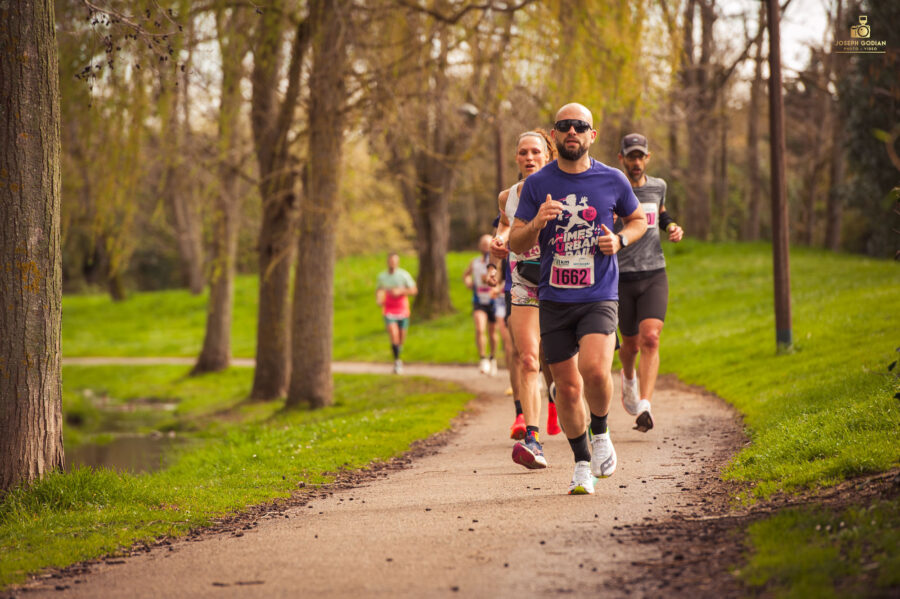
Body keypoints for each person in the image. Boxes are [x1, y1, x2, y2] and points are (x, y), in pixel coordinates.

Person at [510, 103, 648, 495]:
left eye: (580, 126)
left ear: (592, 134)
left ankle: (601, 430)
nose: (572, 131)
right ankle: (582, 464)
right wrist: (536, 222)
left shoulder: (613, 179)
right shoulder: (537, 185)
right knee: (567, 389)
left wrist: (620, 239)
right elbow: (517, 241)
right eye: (564, 126)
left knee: (594, 370)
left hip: (598, 294)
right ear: (554, 135)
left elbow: (637, 220)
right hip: (554, 298)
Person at [488, 129, 561, 471]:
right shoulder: (508, 196)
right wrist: (498, 246)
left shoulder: (566, 188)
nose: (529, 157)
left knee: (563, 365)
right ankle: (533, 439)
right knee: (529, 358)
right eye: (522, 153)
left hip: (564, 284)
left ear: (547, 154)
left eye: (535, 152)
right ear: (516, 158)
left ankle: (568, 403)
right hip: (524, 282)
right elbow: (504, 226)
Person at [615, 133, 684, 432]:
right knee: (629, 344)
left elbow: (661, 212)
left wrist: (671, 226)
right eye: (631, 156)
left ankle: (645, 404)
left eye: (640, 156)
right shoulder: (613, 189)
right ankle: (628, 378)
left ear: (647, 158)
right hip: (620, 276)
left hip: (654, 272)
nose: (636, 162)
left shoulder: (658, 186)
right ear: (622, 159)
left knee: (651, 337)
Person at [463, 234, 500, 375]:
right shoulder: (475, 262)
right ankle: (483, 358)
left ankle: (492, 357)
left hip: (493, 301)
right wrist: (468, 281)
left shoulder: (497, 262)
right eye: (483, 244)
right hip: (479, 301)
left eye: (488, 244)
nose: (485, 247)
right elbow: (466, 274)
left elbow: (502, 279)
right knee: (479, 329)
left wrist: (496, 288)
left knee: (492, 333)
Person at [375, 253, 418, 374]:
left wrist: (400, 291)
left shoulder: (404, 275)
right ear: (388, 262)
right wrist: (379, 299)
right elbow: (379, 290)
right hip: (389, 309)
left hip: (402, 309)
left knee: (401, 337)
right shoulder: (382, 277)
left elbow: (414, 290)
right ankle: (397, 361)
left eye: (395, 261)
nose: (392, 263)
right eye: (391, 261)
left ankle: (398, 353)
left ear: (398, 262)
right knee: (394, 334)